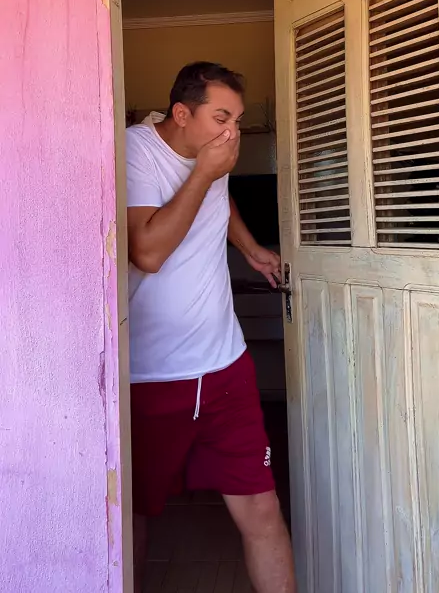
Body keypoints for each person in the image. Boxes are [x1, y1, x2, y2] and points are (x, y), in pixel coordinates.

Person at [126, 61, 296, 593]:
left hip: (225, 368)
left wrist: (250, 249)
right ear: (181, 114)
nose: (232, 133)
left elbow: (220, 200)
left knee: (262, 509)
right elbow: (147, 252)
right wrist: (204, 171)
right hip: (152, 377)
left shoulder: (212, 159)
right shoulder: (134, 151)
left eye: (238, 120)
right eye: (221, 118)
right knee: (133, 517)